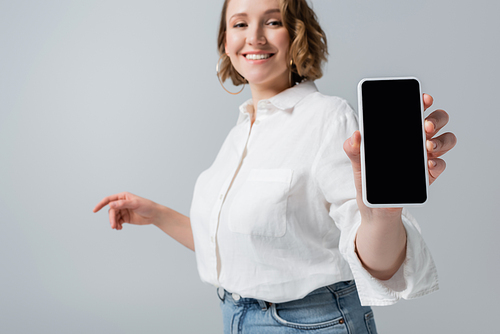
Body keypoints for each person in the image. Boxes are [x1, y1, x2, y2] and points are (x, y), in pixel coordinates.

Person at [93, 0, 457, 332]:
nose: (254, 36)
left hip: (311, 323)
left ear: (297, 36)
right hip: (237, 318)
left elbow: (381, 264)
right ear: (225, 42)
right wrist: (156, 214)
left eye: (272, 21)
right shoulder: (241, 132)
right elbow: (236, 247)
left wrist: (384, 215)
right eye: (239, 24)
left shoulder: (327, 119)